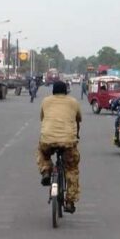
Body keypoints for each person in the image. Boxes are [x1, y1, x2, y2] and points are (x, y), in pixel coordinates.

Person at [36, 81, 82, 214]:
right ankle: (70, 201)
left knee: (42, 152)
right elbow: (78, 119)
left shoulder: (46, 101)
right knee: (72, 169)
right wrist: (76, 135)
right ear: (66, 91)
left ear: (53, 91)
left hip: (47, 140)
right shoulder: (73, 102)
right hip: (68, 142)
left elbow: (42, 118)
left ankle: (46, 171)